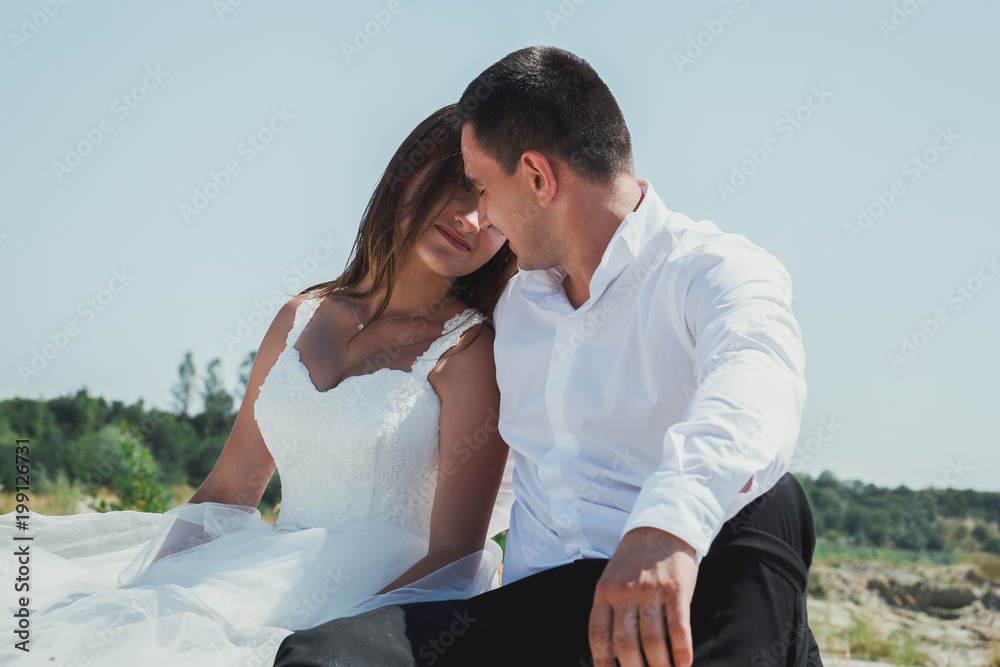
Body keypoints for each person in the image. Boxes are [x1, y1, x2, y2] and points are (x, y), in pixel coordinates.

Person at [272, 46, 824, 666]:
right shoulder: (514, 311)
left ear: (537, 177)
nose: (482, 217)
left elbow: (755, 389)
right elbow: (483, 475)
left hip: (677, 587)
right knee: (320, 658)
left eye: (483, 188)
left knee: (774, 502)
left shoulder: (713, 270)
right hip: (533, 614)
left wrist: (667, 523)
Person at [0, 103, 518, 666]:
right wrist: (135, 597)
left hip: (379, 613)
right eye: (463, 188)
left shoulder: (469, 354)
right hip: (251, 579)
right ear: (412, 171)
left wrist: (333, 640)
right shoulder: (299, 317)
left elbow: (455, 557)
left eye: (497, 214)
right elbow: (227, 491)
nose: (472, 221)